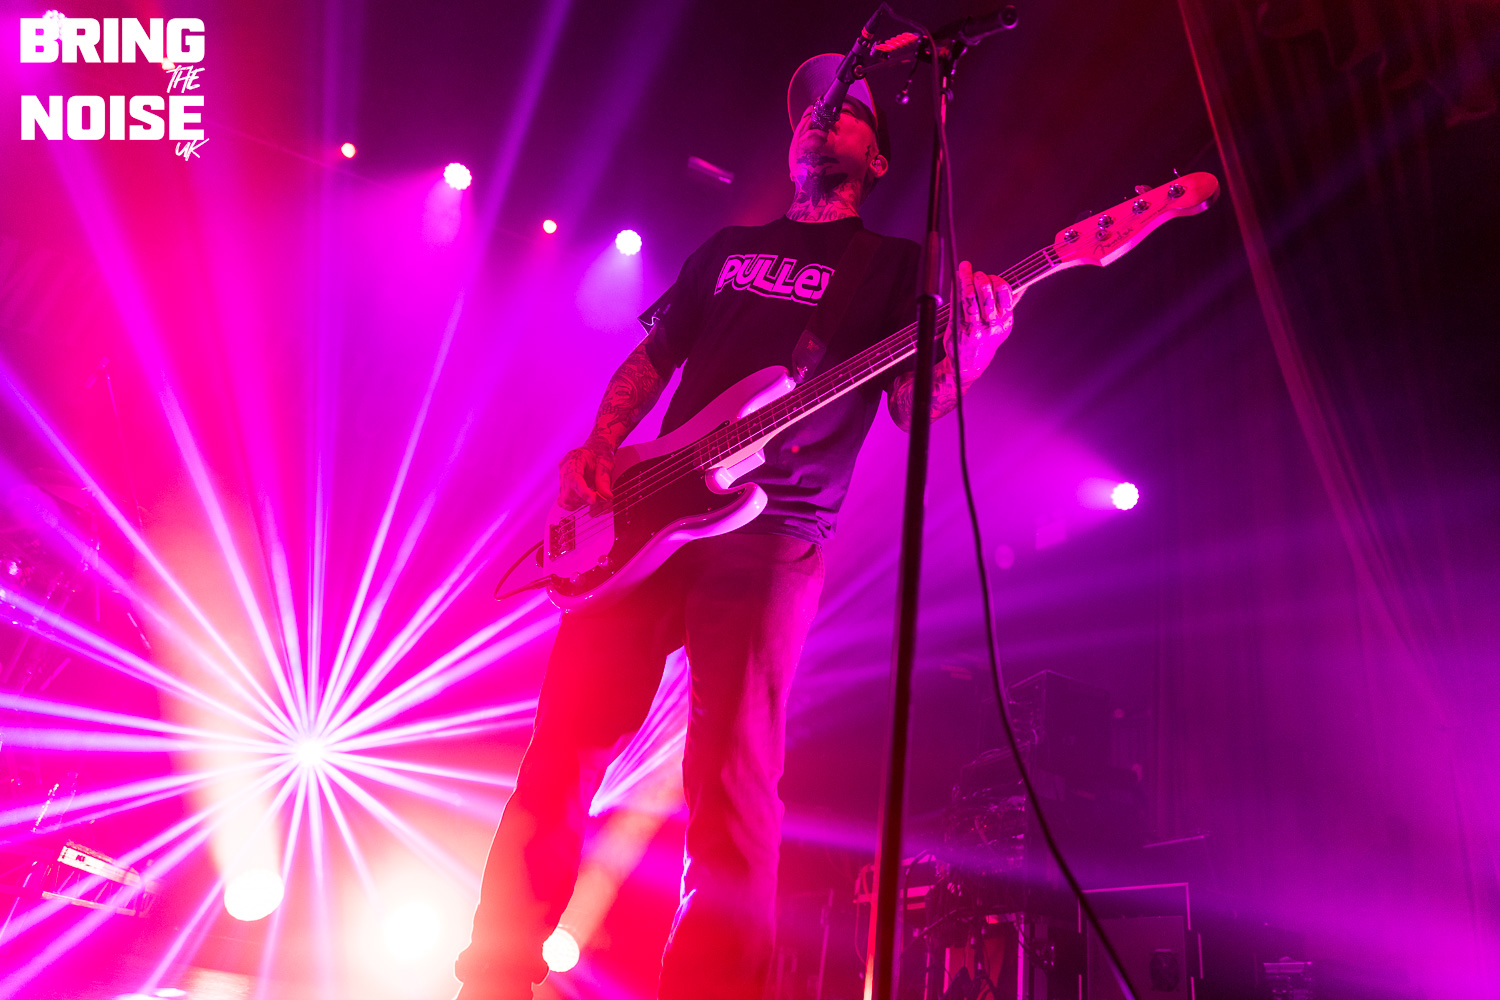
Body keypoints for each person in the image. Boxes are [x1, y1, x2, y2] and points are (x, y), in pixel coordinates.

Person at [455, 53, 1014, 1000]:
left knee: (731, 783)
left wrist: (977, 349)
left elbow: (912, 410)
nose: (821, 115)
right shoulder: (725, 247)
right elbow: (654, 356)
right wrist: (602, 444)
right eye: (810, 108)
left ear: (878, 158)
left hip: (774, 528)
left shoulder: (896, 268)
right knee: (561, 752)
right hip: (646, 509)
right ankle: (493, 977)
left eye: (847, 108)